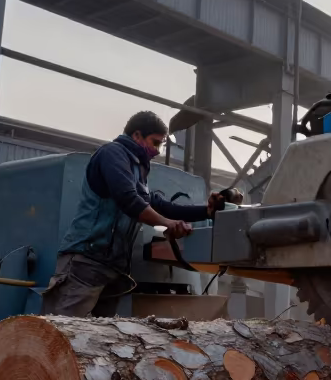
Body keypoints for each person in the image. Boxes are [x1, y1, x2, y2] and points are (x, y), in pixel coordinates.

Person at [40, 110, 233, 317]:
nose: (157, 151)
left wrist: (207, 211)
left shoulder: (138, 170)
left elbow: (162, 206)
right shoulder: (112, 154)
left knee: (99, 339)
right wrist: (168, 224)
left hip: (112, 268)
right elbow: (129, 201)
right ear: (137, 135)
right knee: (61, 332)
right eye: (155, 143)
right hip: (87, 262)